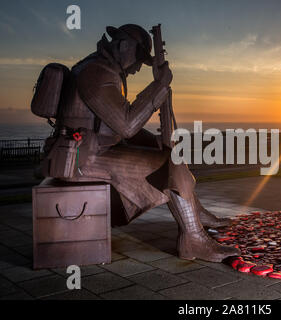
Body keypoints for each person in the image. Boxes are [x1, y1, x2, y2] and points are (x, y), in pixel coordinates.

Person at [42, 24, 240, 262]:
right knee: (170, 162)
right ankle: (193, 239)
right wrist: (159, 86)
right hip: (83, 159)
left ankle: (197, 216)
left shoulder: (99, 67)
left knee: (167, 152)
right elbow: (126, 125)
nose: (138, 68)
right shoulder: (96, 72)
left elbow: (112, 124)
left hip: (90, 150)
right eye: (139, 58)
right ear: (124, 45)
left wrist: (153, 140)